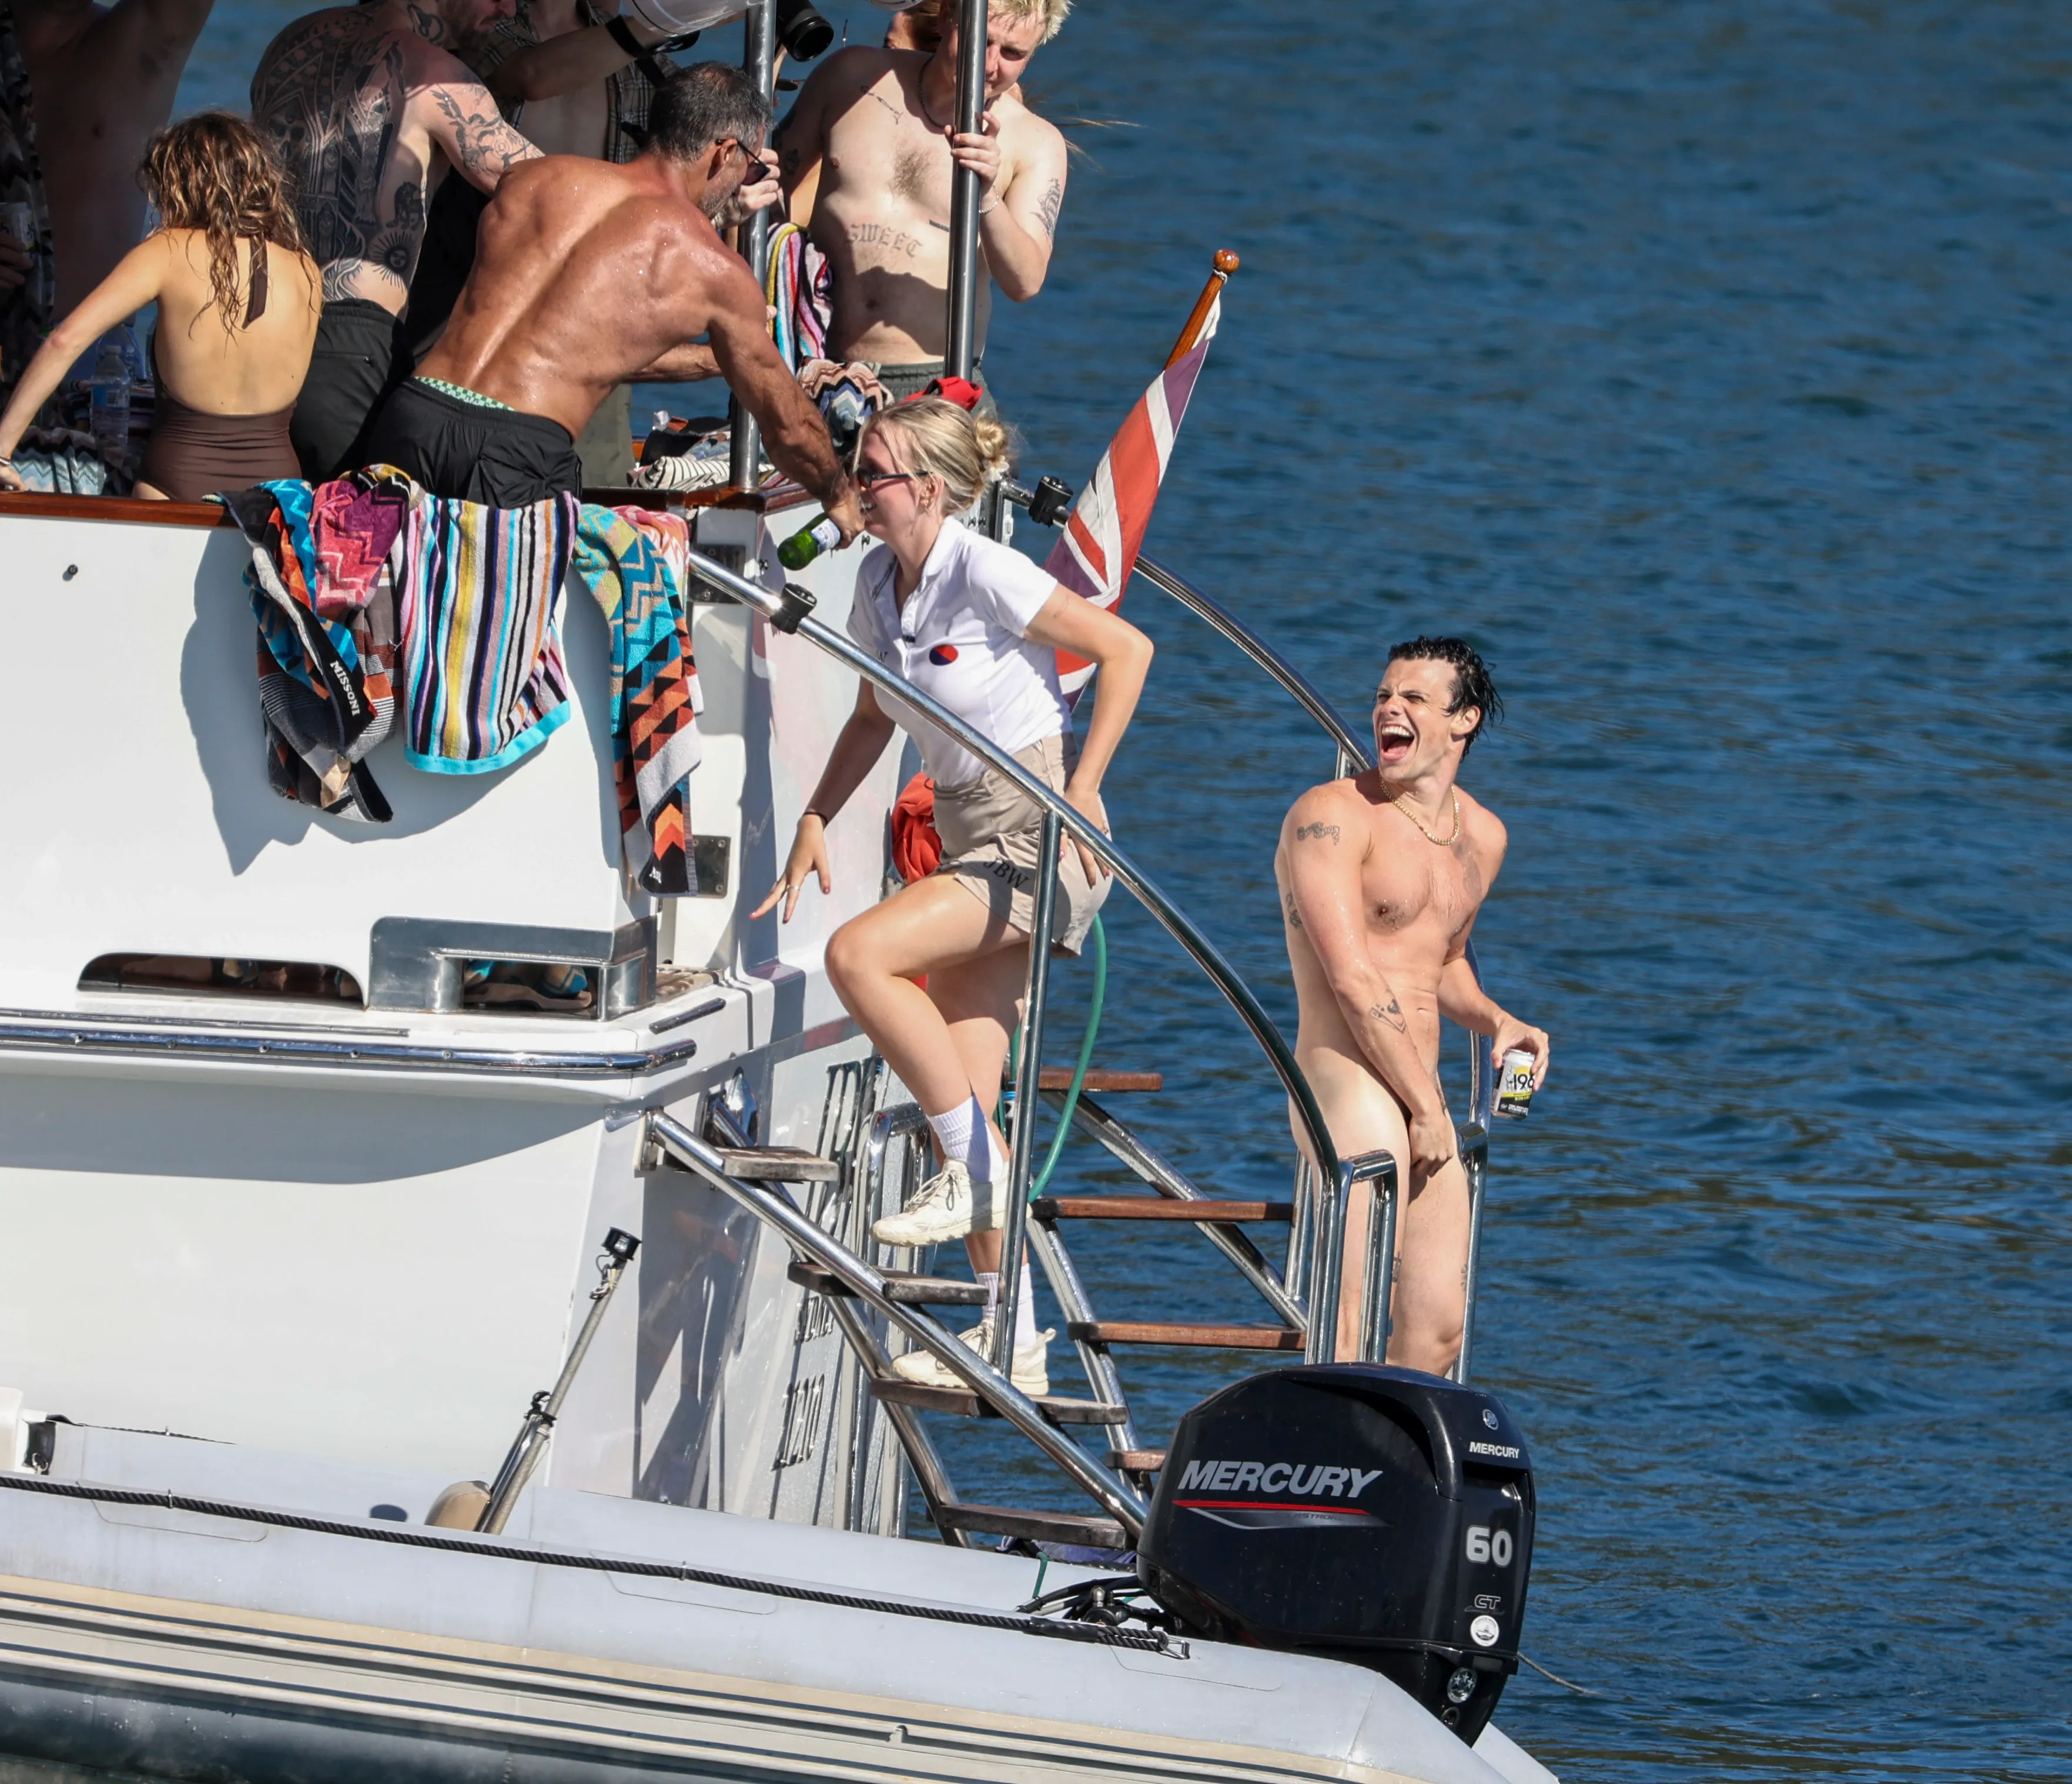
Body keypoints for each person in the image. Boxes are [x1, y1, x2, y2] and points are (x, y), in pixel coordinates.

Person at [754, 395, 1153, 1394]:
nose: (859, 487)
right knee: (972, 1102)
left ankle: (973, 1172)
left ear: (929, 490)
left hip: (1032, 833)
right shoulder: (878, 590)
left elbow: (1126, 650)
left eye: (875, 472)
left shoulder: (984, 567)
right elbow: (869, 717)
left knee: (859, 956)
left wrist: (1088, 780)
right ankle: (1011, 1330)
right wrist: (813, 817)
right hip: (976, 834)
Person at [359, 62, 853, 517]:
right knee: (493, 615)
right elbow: (785, 427)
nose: (744, 177)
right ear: (723, 152)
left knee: (385, 608)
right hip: (512, 453)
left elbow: (560, 340)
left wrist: (708, 360)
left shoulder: (531, 179)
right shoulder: (713, 268)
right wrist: (838, 491)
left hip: (414, 416)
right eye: (748, 165)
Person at [1275, 638, 1551, 1375]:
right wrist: (1426, 1109)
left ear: (1462, 722)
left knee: (1437, 1328)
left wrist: (1499, 1022)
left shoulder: (1483, 836)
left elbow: (1444, 963)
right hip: (1346, 1074)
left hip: (1420, 1088)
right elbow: (1355, 978)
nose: (1388, 709)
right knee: (1351, 1301)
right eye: (1383, 696)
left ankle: (1382, 1463)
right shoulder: (1331, 816)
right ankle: (1312, 1453)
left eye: (1415, 699)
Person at [250, 0, 542, 483]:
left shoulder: (291, 44)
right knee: (355, 543)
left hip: (254, 322)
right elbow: (549, 193)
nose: (510, 9)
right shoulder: (436, 76)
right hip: (346, 349)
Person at [403, 0, 690, 480]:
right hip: (473, 320)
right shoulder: (477, 30)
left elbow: (685, 161)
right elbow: (531, 75)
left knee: (596, 493)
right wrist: (657, 24)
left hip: (592, 322)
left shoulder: (644, 57)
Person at [0, 112, 318, 500]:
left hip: (175, 486)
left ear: (182, 184)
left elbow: (64, 341)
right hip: (277, 492)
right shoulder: (306, 269)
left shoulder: (167, 251)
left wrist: (1, 452)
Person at [774, 0, 1069, 405]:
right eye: (980, 41)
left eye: (1013, 53)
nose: (988, 64)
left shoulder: (1035, 142)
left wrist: (986, 195)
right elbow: (771, 190)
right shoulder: (850, 79)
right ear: (948, 18)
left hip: (932, 385)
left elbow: (1025, 281)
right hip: (812, 365)